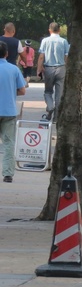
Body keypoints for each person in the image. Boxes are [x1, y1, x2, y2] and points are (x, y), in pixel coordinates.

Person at [0, 41, 27, 183]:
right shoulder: (14, 69)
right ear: (7, 54)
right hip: (9, 111)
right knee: (9, 142)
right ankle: (8, 174)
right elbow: (22, 90)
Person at [36, 22, 70, 121]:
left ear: (49, 30)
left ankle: (50, 107)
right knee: (59, 94)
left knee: (48, 92)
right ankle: (56, 118)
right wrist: (65, 68)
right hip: (61, 68)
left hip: (49, 68)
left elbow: (41, 56)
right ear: (59, 30)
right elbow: (66, 57)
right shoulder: (64, 41)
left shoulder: (45, 41)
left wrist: (39, 69)